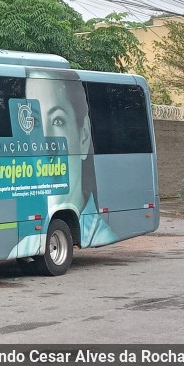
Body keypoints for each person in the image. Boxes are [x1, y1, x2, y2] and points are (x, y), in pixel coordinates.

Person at [25, 69, 117, 248]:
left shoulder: (101, 231)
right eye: (34, 122)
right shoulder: (25, 242)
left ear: (83, 137)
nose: (45, 144)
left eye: (58, 121)